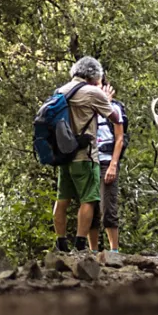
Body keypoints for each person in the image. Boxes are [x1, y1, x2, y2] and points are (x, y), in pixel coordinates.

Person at [52, 56, 123, 253]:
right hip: (85, 156)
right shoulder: (92, 92)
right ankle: (80, 245)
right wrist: (106, 101)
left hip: (64, 154)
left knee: (62, 199)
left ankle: (61, 243)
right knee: (88, 200)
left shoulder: (60, 91)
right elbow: (115, 118)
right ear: (94, 75)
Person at [86, 76, 127, 254]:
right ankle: (93, 252)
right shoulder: (85, 107)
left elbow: (120, 139)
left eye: (98, 84)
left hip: (107, 160)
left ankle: (114, 251)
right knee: (90, 207)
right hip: (89, 161)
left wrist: (113, 164)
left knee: (108, 207)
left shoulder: (114, 108)